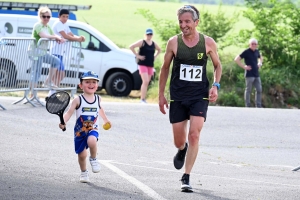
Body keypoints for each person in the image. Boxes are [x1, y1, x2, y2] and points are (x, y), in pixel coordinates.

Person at [158, 5, 222, 192]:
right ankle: (181, 149)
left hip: (199, 96)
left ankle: (186, 176)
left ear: (196, 22)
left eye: (187, 21)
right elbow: (165, 69)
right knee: (179, 140)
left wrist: (215, 86)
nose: (183, 25)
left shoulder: (208, 42)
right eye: (180, 22)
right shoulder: (174, 43)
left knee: (194, 134)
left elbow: (218, 66)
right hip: (178, 96)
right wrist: (161, 95)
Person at [59, 71, 111, 183]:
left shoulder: (98, 99)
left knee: (92, 141)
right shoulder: (78, 100)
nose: (91, 84)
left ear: (97, 85)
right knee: (82, 155)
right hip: (79, 131)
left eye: (94, 82)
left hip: (93, 128)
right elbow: (69, 113)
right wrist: (64, 122)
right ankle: (84, 172)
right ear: (81, 85)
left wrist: (105, 119)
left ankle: (93, 159)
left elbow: (100, 109)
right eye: (87, 82)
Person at [49, 8, 85, 96]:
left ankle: (52, 92)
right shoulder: (58, 24)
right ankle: (51, 90)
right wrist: (78, 39)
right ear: (59, 16)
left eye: (67, 17)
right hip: (55, 52)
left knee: (59, 75)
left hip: (60, 52)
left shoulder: (65, 25)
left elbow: (71, 34)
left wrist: (79, 37)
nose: (65, 18)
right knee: (60, 74)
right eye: (63, 16)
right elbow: (66, 36)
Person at [31, 6, 64, 94]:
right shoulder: (38, 25)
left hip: (42, 52)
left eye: (48, 16)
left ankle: (47, 82)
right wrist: (55, 37)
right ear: (40, 17)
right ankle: (32, 95)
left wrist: (59, 38)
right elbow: (43, 35)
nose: (46, 18)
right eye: (44, 16)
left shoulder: (48, 27)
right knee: (36, 73)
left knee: (56, 61)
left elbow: (53, 35)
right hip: (35, 52)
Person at [129, 28, 161, 103]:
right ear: (145, 34)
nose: (149, 36)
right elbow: (131, 46)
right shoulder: (142, 42)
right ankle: (142, 99)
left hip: (150, 64)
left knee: (147, 82)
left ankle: (144, 98)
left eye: (150, 34)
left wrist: (155, 56)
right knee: (145, 80)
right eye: (148, 34)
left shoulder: (153, 43)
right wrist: (138, 55)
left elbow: (159, 49)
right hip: (142, 64)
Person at [234, 38, 263, 108]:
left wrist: (260, 63)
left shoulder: (257, 51)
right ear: (249, 44)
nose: (253, 45)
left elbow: (261, 57)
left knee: (259, 89)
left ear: (257, 45)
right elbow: (236, 59)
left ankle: (258, 105)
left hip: (256, 73)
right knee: (248, 90)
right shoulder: (246, 51)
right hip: (249, 74)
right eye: (252, 44)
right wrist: (244, 67)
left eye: (255, 44)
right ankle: (248, 105)